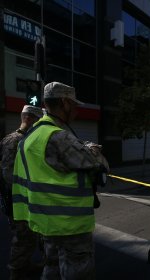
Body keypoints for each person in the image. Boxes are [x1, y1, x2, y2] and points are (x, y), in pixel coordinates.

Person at [11, 81, 109, 280]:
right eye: (73, 105)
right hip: (69, 224)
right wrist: (92, 149)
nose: (76, 111)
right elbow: (101, 166)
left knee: (52, 265)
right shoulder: (58, 137)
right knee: (77, 270)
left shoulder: (31, 135)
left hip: (44, 221)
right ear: (64, 102)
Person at [0, 105, 44, 279]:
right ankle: (16, 271)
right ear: (29, 119)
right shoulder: (19, 141)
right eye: (37, 121)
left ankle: (23, 266)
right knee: (24, 237)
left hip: (15, 198)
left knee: (26, 236)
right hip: (19, 199)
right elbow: (9, 174)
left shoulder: (11, 138)